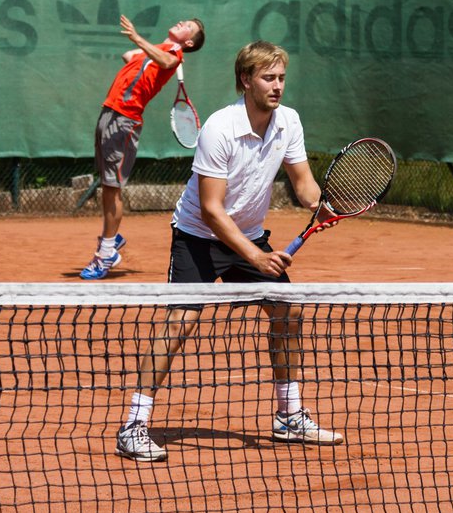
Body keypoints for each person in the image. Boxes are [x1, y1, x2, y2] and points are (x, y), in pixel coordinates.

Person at [114, 40, 343, 462]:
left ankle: (289, 417)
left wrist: (322, 203)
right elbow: (212, 209)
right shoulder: (220, 128)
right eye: (268, 78)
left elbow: (304, 182)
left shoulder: (288, 122)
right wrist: (255, 258)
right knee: (180, 322)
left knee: (287, 310)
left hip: (250, 234)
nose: (277, 86)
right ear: (245, 80)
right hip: (199, 236)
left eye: (281, 78)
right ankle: (134, 425)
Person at [80, 14, 206, 280]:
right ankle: (111, 238)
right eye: (182, 21)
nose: (181, 23)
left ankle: (106, 254)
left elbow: (168, 60)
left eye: (188, 28)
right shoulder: (156, 50)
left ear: (190, 42)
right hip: (109, 112)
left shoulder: (173, 53)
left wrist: (139, 39)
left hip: (125, 119)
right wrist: (142, 50)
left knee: (112, 188)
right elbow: (129, 55)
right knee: (106, 186)